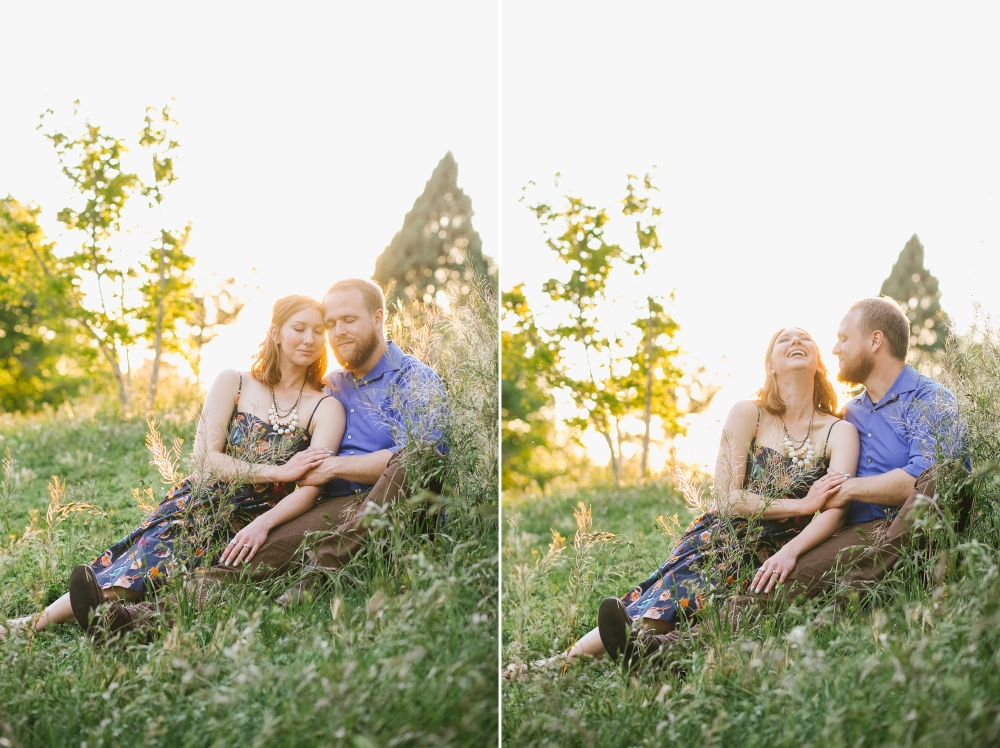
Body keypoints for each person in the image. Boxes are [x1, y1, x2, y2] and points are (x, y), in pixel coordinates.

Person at [505, 327, 860, 676]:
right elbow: (726, 497)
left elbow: (835, 512)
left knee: (691, 611)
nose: (796, 340)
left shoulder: (839, 431)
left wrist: (791, 552)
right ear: (770, 366)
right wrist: (801, 506)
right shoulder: (748, 414)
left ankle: (618, 656)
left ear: (818, 363)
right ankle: (554, 665)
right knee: (666, 599)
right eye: (784, 339)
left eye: (805, 338)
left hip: (781, 551)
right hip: (724, 536)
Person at [0, 295, 345, 639]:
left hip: (256, 520)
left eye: (318, 331)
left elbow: (310, 489)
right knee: (148, 553)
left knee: (176, 568)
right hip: (202, 498)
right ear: (276, 333)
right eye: (299, 328)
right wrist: (279, 472)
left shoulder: (326, 408)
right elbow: (204, 459)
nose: (309, 339)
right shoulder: (234, 382)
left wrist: (262, 526)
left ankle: (93, 616)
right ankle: (35, 623)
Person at [718, 298, 963, 617]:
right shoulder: (849, 416)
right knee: (777, 582)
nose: (835, 349)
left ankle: (844, 602)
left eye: (844, 339)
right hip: (854, 535)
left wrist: (848, 489)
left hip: (915, 528)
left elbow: (924, 481)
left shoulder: (931, 401)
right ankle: (668, 644)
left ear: (876, 340)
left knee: (941, 474)